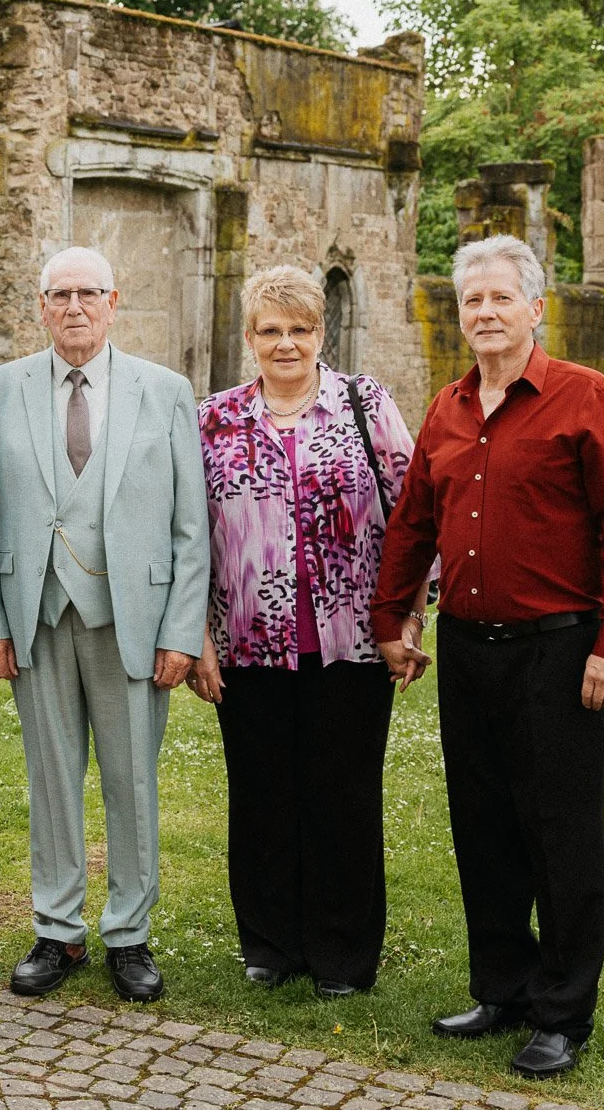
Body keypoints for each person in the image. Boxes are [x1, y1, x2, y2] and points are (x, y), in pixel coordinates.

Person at [374, 235, 604, 1079]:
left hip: (560, 651)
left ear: (537, 307)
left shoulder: (584, 397)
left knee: (560, 834)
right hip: (466, 650)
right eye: (473, 301)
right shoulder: (449, 407)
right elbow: (414, 523)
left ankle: (563, 1012)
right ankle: (503, 987)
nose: (486, 313)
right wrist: (396, 619)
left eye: (502, 298)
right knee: (485, 827)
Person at [0, 246, 208, 1003]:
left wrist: (180, 629)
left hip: (132, 616)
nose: (74, 306)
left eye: (89, 293)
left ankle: (130, 934)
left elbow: (189, 528)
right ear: (40, 307)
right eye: (59, 294)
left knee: (133, 779)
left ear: (113, 301)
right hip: (33, 613)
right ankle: (57, 928)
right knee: (50, 778)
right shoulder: (0, 390)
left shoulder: (164, 392)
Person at [187, 264, 419, 999]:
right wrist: (197, 636)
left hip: (353, 642)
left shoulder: (365, 403)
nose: (285, 343)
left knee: (343, 797)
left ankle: (342, 956)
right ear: (249, 337)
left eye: (300, 329)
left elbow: (416, 514)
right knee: (261, 795)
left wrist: (409, 615)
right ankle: (270, 943)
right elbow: (186, 533)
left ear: (322, 332)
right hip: (248, 641)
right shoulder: (213, 418)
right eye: (270, 330)